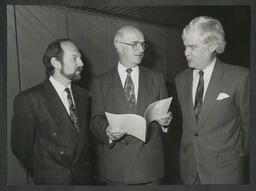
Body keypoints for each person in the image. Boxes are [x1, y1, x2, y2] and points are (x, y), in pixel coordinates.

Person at [91, 25, 172, 185]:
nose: (141, 49)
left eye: (143, 44)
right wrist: (107, 130)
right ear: (118, 45)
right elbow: (95, 120)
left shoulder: (157, 78)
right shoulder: (101, 82)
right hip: (118, 170)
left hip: (150, 169)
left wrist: (166, 123)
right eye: (135, 44)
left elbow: (167, 119)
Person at [175, 16, 249, 184]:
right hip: (189, 172)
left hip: (225, 173)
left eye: (192, 47)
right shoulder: (181, 80)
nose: (186, 52)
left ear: (212, 46)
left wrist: (233, 157)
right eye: (185, 46)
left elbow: (249, 128)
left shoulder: (240, 77)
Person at [11, 39, 91, 185]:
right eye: (75, 58)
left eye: (80, 58)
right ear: (55, 63)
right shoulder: (29, 99)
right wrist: (46, 172)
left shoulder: (84, 96)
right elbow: (21, 148)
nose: (81, 63)